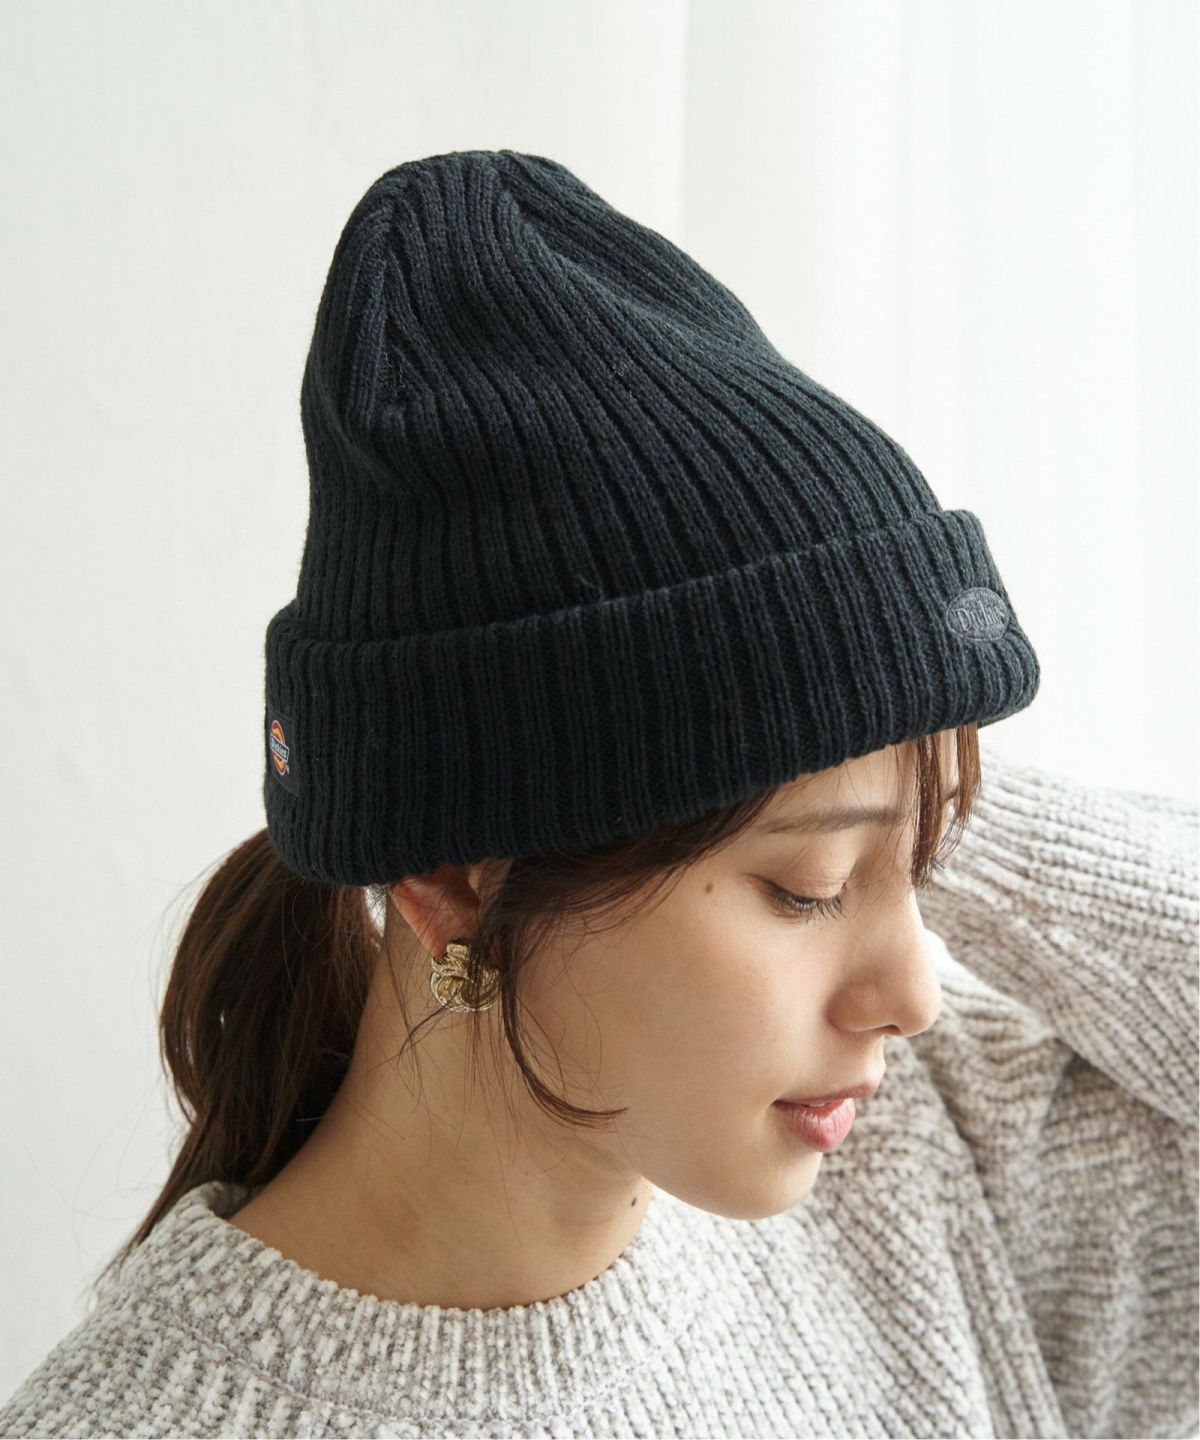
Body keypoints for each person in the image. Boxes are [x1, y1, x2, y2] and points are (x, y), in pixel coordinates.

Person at [1, 149, 1195, 1440]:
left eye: (926, 867)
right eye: (806, 891)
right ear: (455, 874)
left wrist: (887, 760)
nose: (910, 996)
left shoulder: (919, 1169)